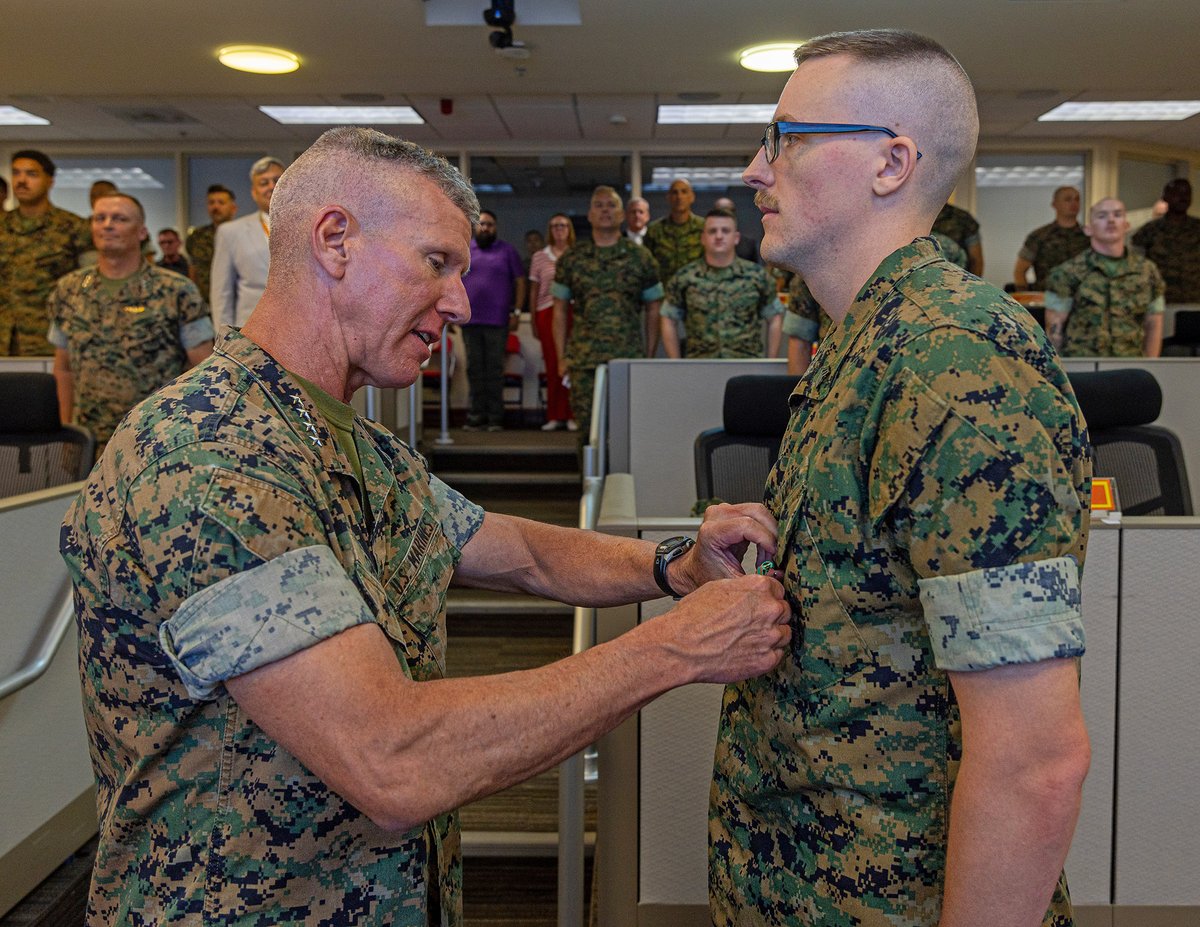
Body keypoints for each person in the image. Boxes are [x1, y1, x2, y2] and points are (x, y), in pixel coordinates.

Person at [60, 126, 791, 927]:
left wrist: (676, 567)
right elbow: (393, 759)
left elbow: (515, 550)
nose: (462, 302)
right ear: (334, 240)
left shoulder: (346, 440)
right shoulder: (209, 454)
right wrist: (679, 644)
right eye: (436, 263)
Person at [712, 29, 1091, 927]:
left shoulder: (953, 364)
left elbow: (1035, 761)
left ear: (892, 163)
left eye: (787, 138)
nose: (755, 169)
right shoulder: (869, 350)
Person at [47, 193, 213, 454]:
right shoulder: (69, 290)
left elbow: (204, 368)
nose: (107, 224)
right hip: (89, 441)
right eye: (99, 218)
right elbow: (63, 368)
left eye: (120, 218)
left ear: (142, 232)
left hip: (159, 438)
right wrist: (67, 431)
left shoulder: (176, 290)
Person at [552, 185, 662, 434]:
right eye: (598, 205)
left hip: (628, 357)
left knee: (627, 430)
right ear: (589, 215)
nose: (605, 210)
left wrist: (649, 355)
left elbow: (654, 309)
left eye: (611, 205)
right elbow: (559, 311)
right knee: (588, 432)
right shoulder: (572, 258)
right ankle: (587, 475)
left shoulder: (641, 258)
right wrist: (562, 357)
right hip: (583, 359)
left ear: (622, 215)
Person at [1045, 197, 1165, 357]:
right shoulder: (1067, 272)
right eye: (1102, 216)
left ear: (1126, 225)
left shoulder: (1147, 271)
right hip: (1083, 366)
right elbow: (1054, 328)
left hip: (1130, 364)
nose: (1111, 220)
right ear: (1088, 229)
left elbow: (1154, 323)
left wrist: (1151, 366)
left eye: (1117, 215)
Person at [0, 150, 92, 356]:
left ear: (50, 180)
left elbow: (89, 288)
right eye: (16, 173)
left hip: (49, 341)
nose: (22, 181)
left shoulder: (74, 228)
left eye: (31, 174)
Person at [661, 208, 782, 359]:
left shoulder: (757, 276)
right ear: (703, 238)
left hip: (746, 365)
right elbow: (668, 318)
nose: (719, 236)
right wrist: (676, 364)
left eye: (725, 231)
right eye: (712, 231)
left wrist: (770, 362)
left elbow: (775, 317)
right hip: (699, 366)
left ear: (736, 238)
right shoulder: (685, 277)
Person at [461, 210, 525, 431]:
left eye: (489, 224)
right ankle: (476, 415)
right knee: (474, 369)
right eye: (481, 224)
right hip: (470, 320)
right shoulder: (465, 249)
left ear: (495, 227)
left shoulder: (507, 251)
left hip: (498, 321)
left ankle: (495, 418)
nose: (485, 227)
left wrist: (516, 312)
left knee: (494, 370)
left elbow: (520, 282)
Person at [210, 156, 285, 332]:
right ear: (254, 192)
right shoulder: (230, 232)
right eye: (263, 182)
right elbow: (222, 294)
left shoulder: (310, 227)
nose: (271, 186)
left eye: (276, 180)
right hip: (251, 336)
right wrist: (224, 340)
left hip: (302, 334)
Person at [528, 212, 576, 431]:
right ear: (550, 230)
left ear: (569, 230)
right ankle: (555, 415)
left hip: (573, 312)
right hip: (547, 312)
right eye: (555, 225)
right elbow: (534, 290)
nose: (559, 229)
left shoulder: (576, 255)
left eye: (564, 225)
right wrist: (533, 320)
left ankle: (573, 415)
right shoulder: (540, 256)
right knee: (553, 364)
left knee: (573, 364)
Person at [1131, 178, 1200, 304]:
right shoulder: (1149, 230)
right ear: (1165, 197)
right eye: (1177, 193)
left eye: (1187, 193)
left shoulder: (1197, 228)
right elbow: (1135, 268)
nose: (1183, 197)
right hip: (1159, 303)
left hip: (1194, 302)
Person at [1013, 186, 1090, 291]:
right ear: (1055, 204)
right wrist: (1023, 298)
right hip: (1048, 299)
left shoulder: (1091, 236)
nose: (1073, 203)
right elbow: (1020, 270)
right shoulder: (1039, 236)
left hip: (1083, 300)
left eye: (1077, 199)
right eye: (1068, 199)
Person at [643, 178, 704, 283]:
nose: (679, 197)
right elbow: (646, 266)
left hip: (696, 292)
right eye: (675, 193)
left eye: (684, 192)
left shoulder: (704, 228)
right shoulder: (655, 230)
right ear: (668, 198)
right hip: (664, 293)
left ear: (692, 197)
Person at [186, 183, 237, 304]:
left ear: (233, 208)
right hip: (205, 304)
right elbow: (193, 270)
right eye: (211, 202)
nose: (215, 207)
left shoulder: (243, 235)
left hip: (236, 304)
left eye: (221, 202)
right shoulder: (197, 236)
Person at [932, 199, 984, 275]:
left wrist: (971, 285)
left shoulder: (963, 219)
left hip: (956, 280)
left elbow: (976, 261)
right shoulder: (914, 216)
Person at [714, 196, 761, 264]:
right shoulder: (705, 242)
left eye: (729, 210)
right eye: (721, 211)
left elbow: (756, 268)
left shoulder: (748, 244)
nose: (725, 214)